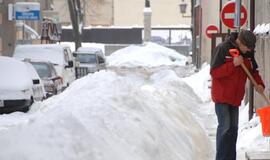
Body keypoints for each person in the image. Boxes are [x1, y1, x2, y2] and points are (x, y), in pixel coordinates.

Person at [210, 29, 265, 160]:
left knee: (233, 129)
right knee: (225, 127)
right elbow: (214, 72)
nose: (249, 50)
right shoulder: (222, 49)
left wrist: (259, 84)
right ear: (239, 42)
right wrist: (233, 64)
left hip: (235, 98)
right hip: (222, 96)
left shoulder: (248, 53)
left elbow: (253, 71)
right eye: (247, 47)